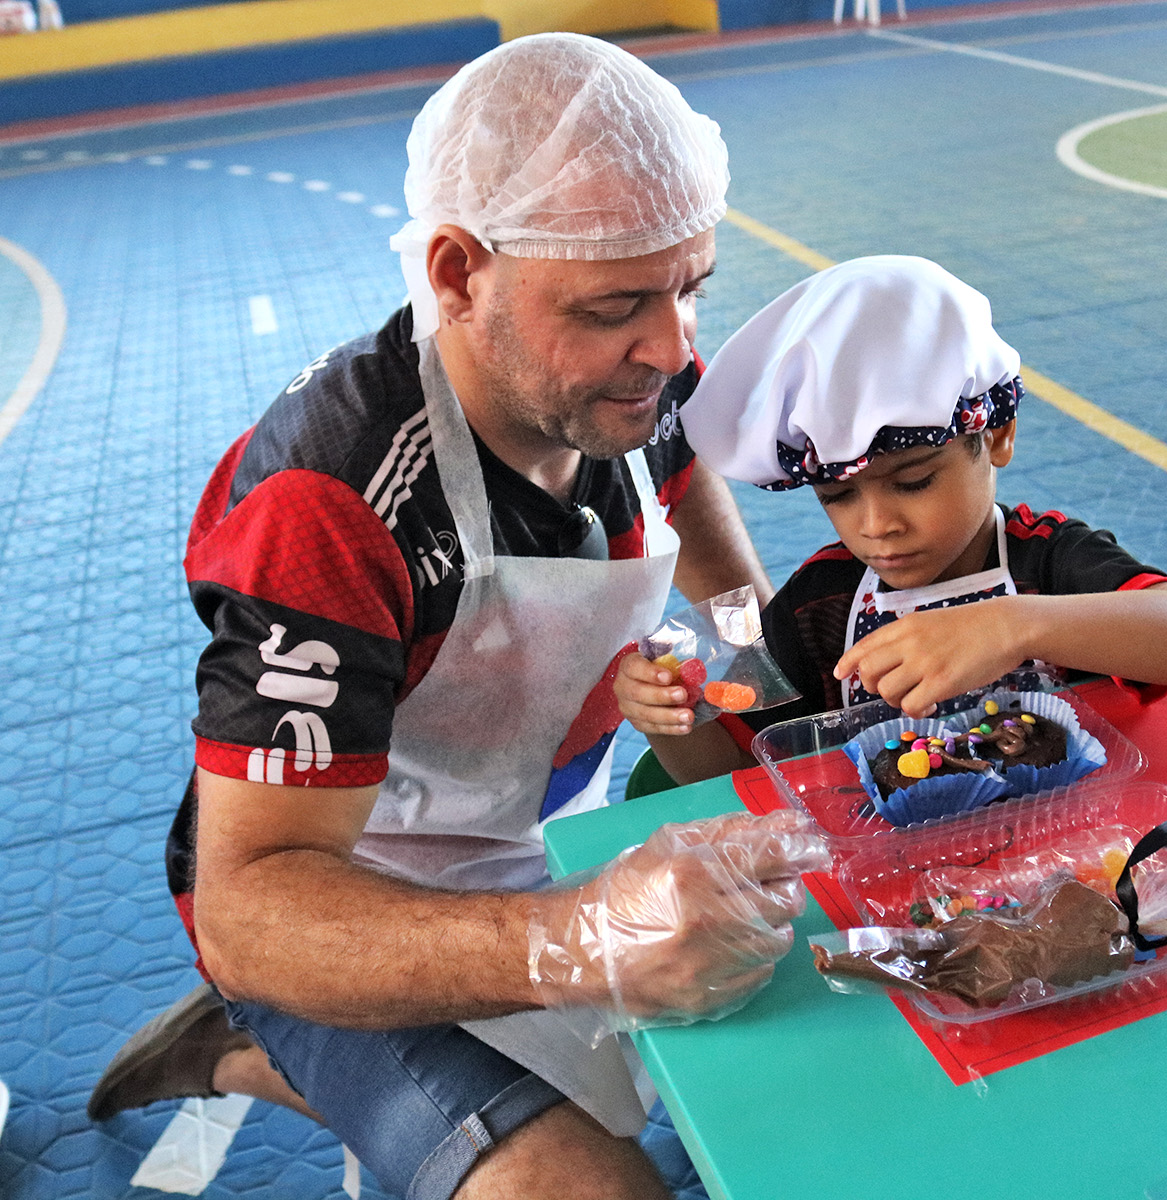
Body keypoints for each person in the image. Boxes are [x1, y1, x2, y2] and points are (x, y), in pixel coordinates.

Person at [86, 33, 832, 1200]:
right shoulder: (331, 504)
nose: (673, 348)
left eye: (690, 287)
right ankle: (255, 1039)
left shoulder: (632, 377)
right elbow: (253, 906)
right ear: (454, 273)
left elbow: (698, 520)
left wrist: (762, 675)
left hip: (549, 833)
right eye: (617, 304)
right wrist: (580, 941)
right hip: (341, 897)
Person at [613, 255, 1167, 783]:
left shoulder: (1046, 560)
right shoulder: (821, 606)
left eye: (914, 482)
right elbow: (732, 776)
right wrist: (667, 715)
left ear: (997, 436)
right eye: (838, 496)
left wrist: (1014, 625)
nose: (876, 525)